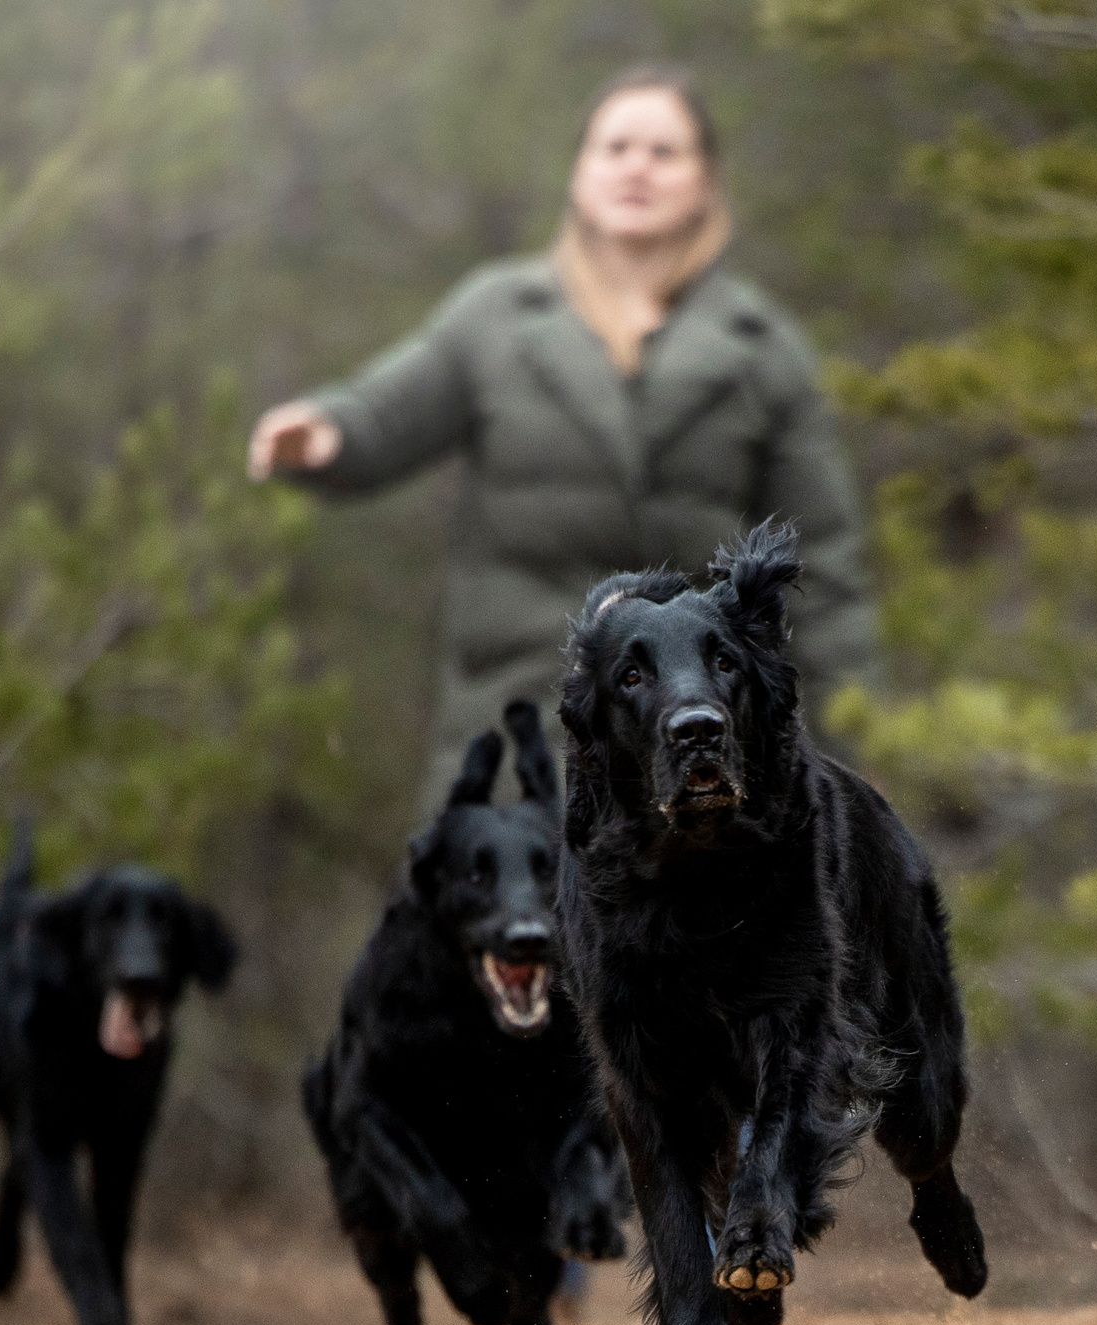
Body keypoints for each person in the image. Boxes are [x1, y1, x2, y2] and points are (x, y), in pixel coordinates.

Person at [248, 64, 870, 800]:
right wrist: (326, 433)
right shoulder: (494, 314)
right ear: (579, 171)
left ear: (706, 180)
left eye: (664, 152)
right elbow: (383, 414)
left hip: (701, 745)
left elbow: (822, 566)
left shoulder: (764, 344)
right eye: (616, 148)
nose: (637, 167)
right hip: (515, 730)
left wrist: (854, 744)